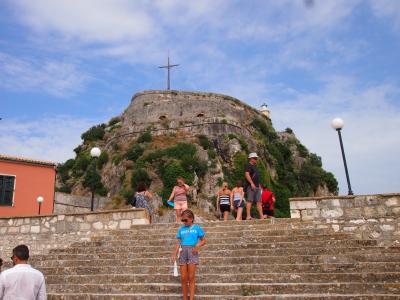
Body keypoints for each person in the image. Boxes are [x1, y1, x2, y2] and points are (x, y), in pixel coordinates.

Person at [171, 210, 206, 300]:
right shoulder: (181, 229)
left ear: (191, 219)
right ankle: (185, 298)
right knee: (183, 278)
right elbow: (178, 243)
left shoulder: (197, 228)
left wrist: (197, 246)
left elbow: (204, 240)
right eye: (182, 220)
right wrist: (174, 254)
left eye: (185, 220)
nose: (184, 222)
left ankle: (191, 298)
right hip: (182, 252)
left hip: (192, 252)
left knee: (191, 277)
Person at [244, 152, 265, 220]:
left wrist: (259, 186)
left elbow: (256, 177)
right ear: (251, 159)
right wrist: (252, 183)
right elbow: (247, 174)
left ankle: (261, 216)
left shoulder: (255, 167)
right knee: (250, 200)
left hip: (257, 186)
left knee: (259, 201)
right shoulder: (248, 165)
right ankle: (248, 216)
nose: (256, 159)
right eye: (255, 158)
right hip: (251, 186)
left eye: (256, 158)